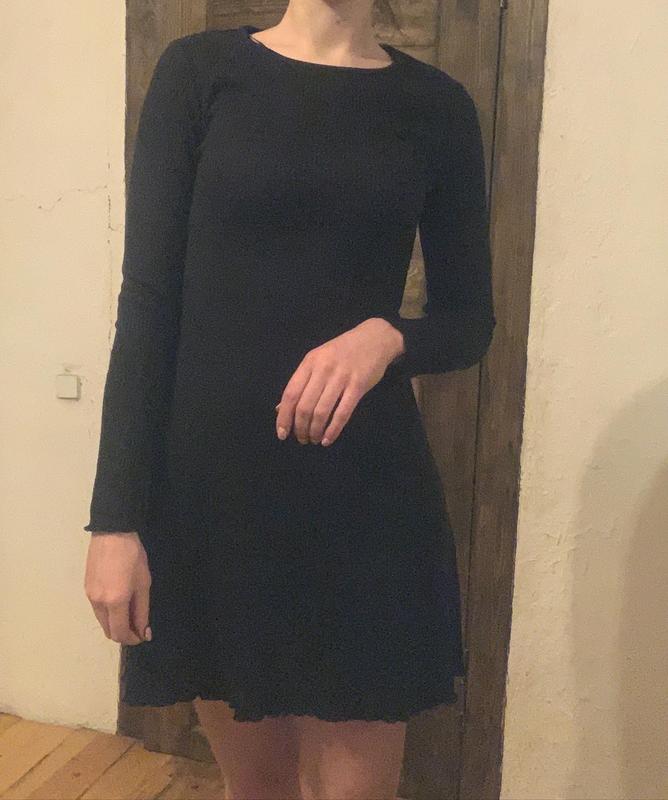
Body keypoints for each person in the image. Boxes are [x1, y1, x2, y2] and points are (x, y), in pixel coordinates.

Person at [82, 2, 496, 798]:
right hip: (216, 492)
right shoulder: (200, 74)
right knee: (258, 788)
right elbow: (148, 306)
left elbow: (468, 321)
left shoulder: (437, 107)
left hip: (363, 491)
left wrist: (386, 336)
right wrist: (115, 519)